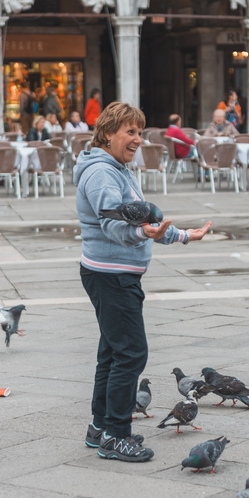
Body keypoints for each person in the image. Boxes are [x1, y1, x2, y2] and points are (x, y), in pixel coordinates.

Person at [74, 101, 212, 463]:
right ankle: (115, 437)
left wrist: (181, 235)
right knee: (132, 354)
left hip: (113, 273)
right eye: (130, 132)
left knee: (112, 352)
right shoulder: (103, 173)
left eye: (139, 131)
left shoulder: (117, 168)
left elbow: (144, 223)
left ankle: (99, 427)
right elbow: (114, 224)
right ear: (107, 133)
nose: (137, 139)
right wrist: (142, 232)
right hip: (111, 275)